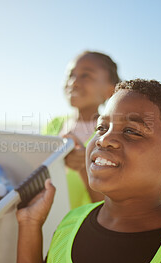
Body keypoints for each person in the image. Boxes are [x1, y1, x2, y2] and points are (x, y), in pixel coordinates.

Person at [17, 79, 161, 263]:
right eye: (101, 128)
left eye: (131, 131)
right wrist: (29, 223)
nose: (104, 139)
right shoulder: (69, 224)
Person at [42, 51, 120, 209]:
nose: (74, 82)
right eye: (70, 75)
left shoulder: (110, 136)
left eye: (86, 76)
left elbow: (108, 206)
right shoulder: (54, 124)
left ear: (110, 92)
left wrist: (84, 167)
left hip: (77, 227)